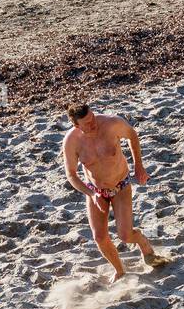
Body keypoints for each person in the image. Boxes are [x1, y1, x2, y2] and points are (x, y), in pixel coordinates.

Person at [61, 103, 166, 282]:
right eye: (87, 123)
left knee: (125, 236)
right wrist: (92, 195)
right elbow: (71, 175)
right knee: (100, 237)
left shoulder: (111, 124)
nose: (93, 124)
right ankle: (119, 271)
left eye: (93, 118)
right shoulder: (71, 141)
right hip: (95, 190)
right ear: (76, 126)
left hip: (120, 185)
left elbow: (132, 135)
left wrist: (138, 166)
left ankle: (141, 242)